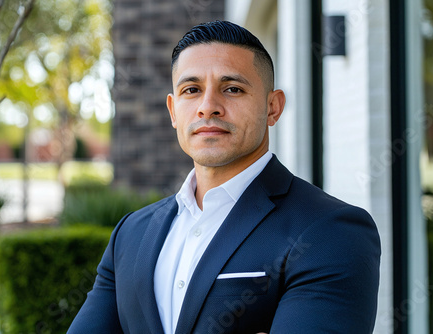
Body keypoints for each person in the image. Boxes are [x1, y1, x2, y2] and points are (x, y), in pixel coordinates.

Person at [68, 21, 381, 334]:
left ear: (273, 108)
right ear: (174, 111)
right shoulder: (130, 234)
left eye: (232, 89)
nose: (208, 107)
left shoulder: (331, 231)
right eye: (191, 90)